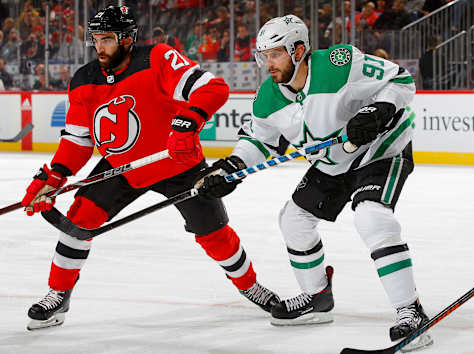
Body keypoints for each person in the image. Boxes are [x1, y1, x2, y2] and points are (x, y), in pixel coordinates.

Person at [21, 5, 279, 331]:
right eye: (96, 39)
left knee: (214, 234)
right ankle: (59, 293)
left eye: (107, 39)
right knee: (78, 219)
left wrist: (187, 124)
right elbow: (77, 142)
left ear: (127, 39)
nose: (99, 47)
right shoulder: (84, 80)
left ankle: (249, 285)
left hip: (177, 163)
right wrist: (55, 175)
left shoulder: (156, 58)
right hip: (121, 167)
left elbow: (212, 89)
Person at [195, 14, 433, 351]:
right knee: (293, 220)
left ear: (299, 50)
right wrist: (231, 168)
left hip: (380, 148)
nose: (267, 63)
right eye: (263, 56)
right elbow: (260, 141)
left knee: (371, 216)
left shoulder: (339, 63)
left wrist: (378, 110)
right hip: (334, 161)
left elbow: (402, 81)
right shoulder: (268, 96)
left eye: (274, 54)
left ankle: (411, 311)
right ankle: (317, 297)